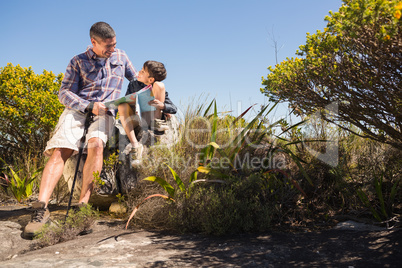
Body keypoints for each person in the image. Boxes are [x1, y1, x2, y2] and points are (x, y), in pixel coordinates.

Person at [23, 21, 138, 239]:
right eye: (107, 46)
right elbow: (64, 93)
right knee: (60, 150)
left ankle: (82, 206)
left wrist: (156, 97)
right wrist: (87, 105)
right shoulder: (77, 61)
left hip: (106, 113)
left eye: (114, 45)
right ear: (93, 42)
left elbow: (136, 81)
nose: (112, 50)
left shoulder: (121, 57)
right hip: (77, 110)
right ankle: (40, 209)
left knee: (96, 145)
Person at [118, 60, 176, 167]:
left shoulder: (156, 86)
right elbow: (126, 100)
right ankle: (135, 145)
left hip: (152, 118)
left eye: (143, 71)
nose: (139, 72)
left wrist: (162, 106)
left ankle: (157, 122)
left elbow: (173, 108)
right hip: (137, 118)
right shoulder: (133, 84)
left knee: (160, 85)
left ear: (150, 79)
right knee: (121, 105)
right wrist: (132, 106)